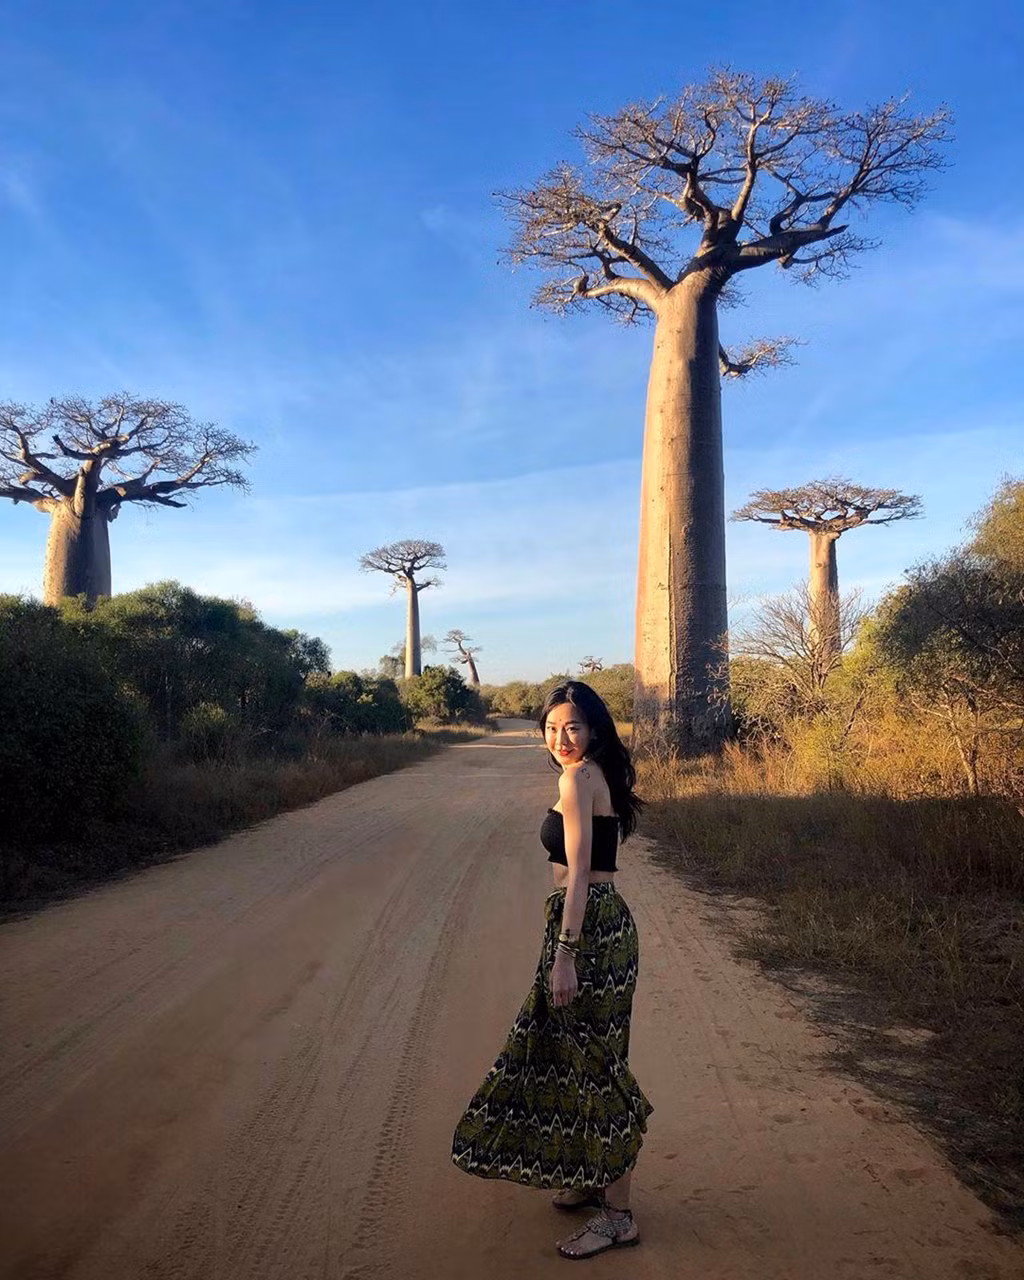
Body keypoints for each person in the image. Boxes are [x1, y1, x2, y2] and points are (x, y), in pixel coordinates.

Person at [451, 680, 653, 1260]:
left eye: (573, 727)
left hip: (587, 933)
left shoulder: (577, 777)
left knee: (595, 1068)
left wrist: (565, 954)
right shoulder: (593, 773)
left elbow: (581, 872)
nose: (561, 739)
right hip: (601, 925)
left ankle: (618, 1218)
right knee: (583, 1057)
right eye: (552, 728)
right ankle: (594, 1179)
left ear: (593, 730)